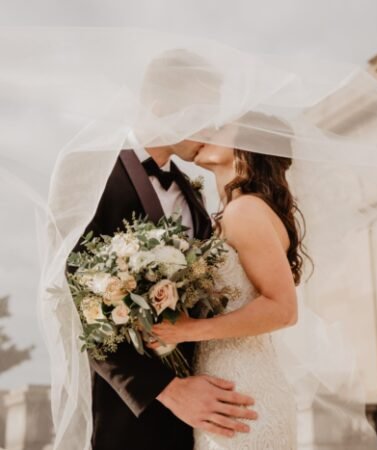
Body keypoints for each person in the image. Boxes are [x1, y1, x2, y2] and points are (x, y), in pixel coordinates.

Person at [70, 49, 258, 450]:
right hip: (129, 414)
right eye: (203, 113)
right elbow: (73, 300)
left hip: (206, 409)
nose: (212, 127)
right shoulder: (88, 171)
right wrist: (170, 391)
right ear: (162, 108)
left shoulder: (194, 195)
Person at [149, 114, 312, 449]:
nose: (205, 129)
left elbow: (283, 309)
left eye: (220, 127)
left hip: (246, 394)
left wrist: (186, 329)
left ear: (250, 146)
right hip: (223, 389)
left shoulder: (246, 211)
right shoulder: (229, 212)